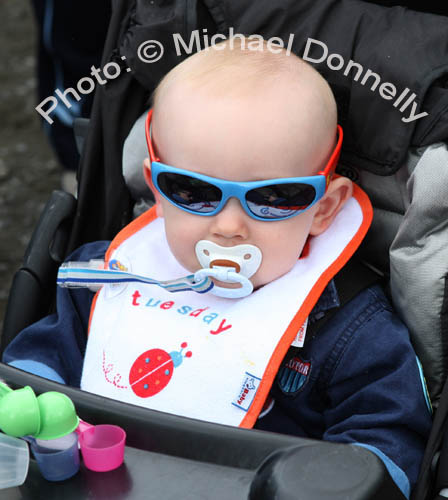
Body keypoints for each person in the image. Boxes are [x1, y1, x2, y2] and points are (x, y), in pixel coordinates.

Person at [3, 38, 432, 497]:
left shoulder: (350, 329)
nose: (228, 226)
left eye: (273, 197)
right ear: (156, 188)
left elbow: (388, 440)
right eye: (191, 190)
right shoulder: (107, 279)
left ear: (324, 208)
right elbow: (43, 361)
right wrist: (28, 406)